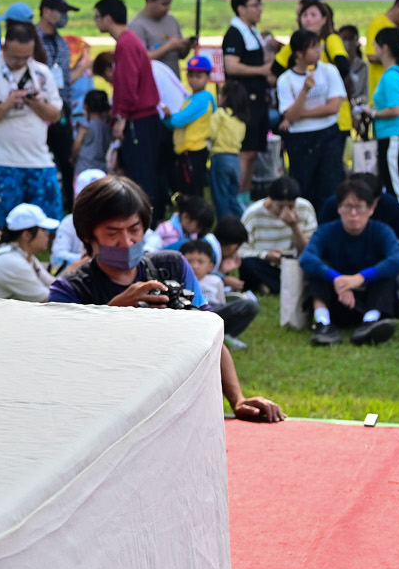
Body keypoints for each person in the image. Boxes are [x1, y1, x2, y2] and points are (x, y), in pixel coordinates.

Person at [48, 176, 284, 423]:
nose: (126, 242)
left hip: (173, 404)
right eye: (112, 233)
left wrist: (237, 399)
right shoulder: (68, 291)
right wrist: (114, 311)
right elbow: (68, 363)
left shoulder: (172, 266)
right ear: (89, 235)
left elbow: (209, 335)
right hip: (102, 411)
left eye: (134, 230)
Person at [0, 22, 64, 219]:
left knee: (49, 222)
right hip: (2, 162)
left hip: (39, 161)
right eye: (15, 57)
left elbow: (55, 115)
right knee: (8, 225)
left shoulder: (42, 74)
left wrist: (37, 103)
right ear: (4, 48)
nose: (21, 62)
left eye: (26, 57)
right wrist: (6, 105)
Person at [298, 176, 399, 346]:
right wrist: (337, 279)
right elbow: (307, 258)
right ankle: (323, 324)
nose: (353, 213)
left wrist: (360, 278)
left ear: (371, 209)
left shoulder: (381, 231)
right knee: (318, 270)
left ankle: (370, 322)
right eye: (348, 207)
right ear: (339, 208)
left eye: (359, 207)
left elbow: (397, 260)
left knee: (386, 273)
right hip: (335, 298)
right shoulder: (326, 231)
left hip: (368, 297)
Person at [96, 0, 170, 220]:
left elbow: (128, 83)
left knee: (140, 173)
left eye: (97, 17)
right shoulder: (129, 41)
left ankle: (145, 220)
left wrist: (121, 117)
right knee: (146, 170)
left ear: (108, 19)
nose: (96, 21)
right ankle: (149, 218)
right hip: (143, 117)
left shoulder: (126, 44)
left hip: (139, 119)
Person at [276, 29, 347, 206]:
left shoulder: (329, 71)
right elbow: (290, 116)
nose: (318, 51)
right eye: (313, 47)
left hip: (328, 133)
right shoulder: (285, 80)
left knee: (330, 184)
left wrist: (299, 114)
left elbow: (333, 107)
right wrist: (305, 91)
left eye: (318, 46)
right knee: (304, 186)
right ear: (299, 53)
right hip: (300, 137)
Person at [314, 170, 399, 275]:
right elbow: (319, 239)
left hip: (377, 256)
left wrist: (391, 248)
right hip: (342, 255)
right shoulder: (332, 205)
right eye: (351, 205)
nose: (355, 212)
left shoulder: (387, 204)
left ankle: (386, 275)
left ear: (377, 199)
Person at [221, 0, 275, 199]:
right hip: (243, 100)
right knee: (244, 152)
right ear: (241, 9)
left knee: (252, 153)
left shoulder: (252, 32)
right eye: (255, 5)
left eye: (260, 5)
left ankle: (246, 195)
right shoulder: (235, 34)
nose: (260, 9)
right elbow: (231, 66)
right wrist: (261, 70)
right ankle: (237, 198)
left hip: (258, 99)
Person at [272, 0, 352, 134]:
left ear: (324, 19)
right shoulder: (296, 43)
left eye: (313, 15)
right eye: (304, 15)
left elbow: (344, 66)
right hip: (302, 125)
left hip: (334, 120)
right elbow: (276, 68)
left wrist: (327, 84)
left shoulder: (330, 40)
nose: (308, 19)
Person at [367, 26, 399, 220]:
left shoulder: (391, 76)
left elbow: (396, 109)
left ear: (385, 47)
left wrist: (372, 113)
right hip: (394, 135)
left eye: (376, 45)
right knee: (391, 183)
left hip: (394, 135)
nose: (374, 49)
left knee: (397, 186)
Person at [36, 0, 80, 203]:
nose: (64, 17)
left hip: (62, 111)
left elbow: (65, 79)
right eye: (60, 12)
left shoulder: (62, 43)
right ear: (46, 12)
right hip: (38, 110)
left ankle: (71, 205)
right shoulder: (32, 40)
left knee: (67, 161)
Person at [240, 177, 315, 295]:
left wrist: (294, 226)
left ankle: (269, 286)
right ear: (270, 199)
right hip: (265, 265)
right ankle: (284, 285)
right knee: (247, 263)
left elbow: (309, 249)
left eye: (291, 206)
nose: (286, 210)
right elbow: (241, 251)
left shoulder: (305, 208)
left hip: (294, 263)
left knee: (314, 262)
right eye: (281, 206)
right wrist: (267, 255)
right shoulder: (252, 214)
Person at [179, 236, 259, 344]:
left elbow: (222, 304)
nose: (195, 266)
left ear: (210, 266)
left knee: (251, 305)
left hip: (214, 312)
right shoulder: (178, 282)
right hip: (190, 316)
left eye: (201, 262)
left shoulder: (215, 281)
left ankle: (228, 335)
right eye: (189, 261)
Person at [166, 55, 218, 197]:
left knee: (192, 191)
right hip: (186, 150)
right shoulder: (190, 98)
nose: (194, 79)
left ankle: (196, 211)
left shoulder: (203, 98)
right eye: (191, 75)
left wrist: (168, 115)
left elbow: (177, 121)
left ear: (208, 77)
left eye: (199, 76)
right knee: (187, 189)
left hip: (194, 150)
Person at [50, 167, 105, 275]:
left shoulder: (120, 222)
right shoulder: (69, 222)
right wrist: (88, 259)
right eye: (89, 198)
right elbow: (58, 255)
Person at [207, 89, 247, 226]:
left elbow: (211, 134)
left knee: (221, 199)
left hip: (220, 158)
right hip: (235, 160)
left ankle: (225, 228)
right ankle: (246, 221)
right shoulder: (241, 119)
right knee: (232, 198)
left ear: (226, 98)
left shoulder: (220, 113)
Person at [129, 0, 189, 68]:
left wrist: (187, 46)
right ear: (149, 0)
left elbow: (181, 56)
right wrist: (168, 47)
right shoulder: (136, 25)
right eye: (164, 4)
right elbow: (141, 58)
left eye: (169, 3)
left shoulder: (172, 20)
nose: (168, 8)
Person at [75, 88, 114, 175]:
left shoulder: (85, 127)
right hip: (101, 169)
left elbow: (76, 145)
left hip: (84, 168)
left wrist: (72, 158)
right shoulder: (108, 127)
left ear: (85, 106)